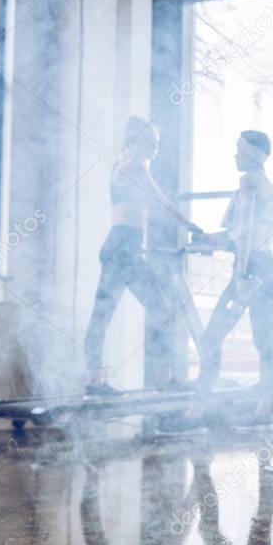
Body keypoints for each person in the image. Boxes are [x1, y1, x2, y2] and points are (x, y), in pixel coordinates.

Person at [84, 117, 201, 395]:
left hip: (121, 248)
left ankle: (93, 381)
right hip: (124, 249)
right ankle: (163, 378)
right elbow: (163, 204)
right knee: (161, 311)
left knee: (103, 315)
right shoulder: (136, 168)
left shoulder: (121, 166)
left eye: (157, 144)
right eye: (151, 143)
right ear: (136, 141)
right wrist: (195, 229)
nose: (154, 149)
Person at [191, 131, 273, 418]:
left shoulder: (250, 181)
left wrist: (241, 277)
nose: (235, 156)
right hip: (262, 269)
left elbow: (244, 237)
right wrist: (207, 238)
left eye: (240, 151)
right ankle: (264, 407)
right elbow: (241, 233)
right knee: (263, 340)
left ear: (253, 155)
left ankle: (200, 408)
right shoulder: (264, 185)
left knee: (211, 339)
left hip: (251, 271)